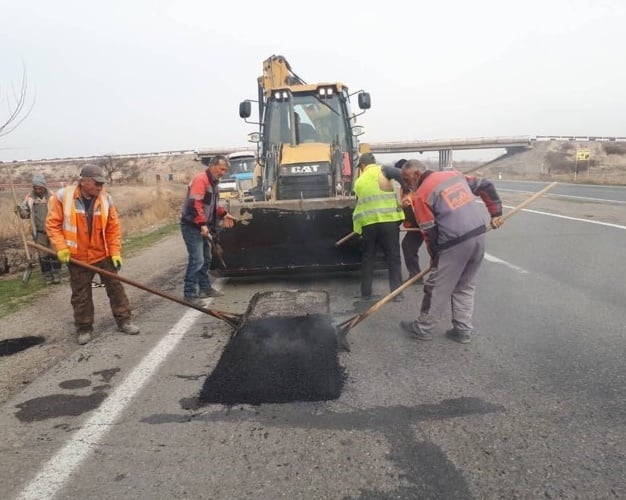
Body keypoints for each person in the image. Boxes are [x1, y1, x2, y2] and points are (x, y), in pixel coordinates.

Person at [399, 159, 504, 344]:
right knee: (465, 285)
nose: (407, 185)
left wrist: (435, 258)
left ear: (417, 174)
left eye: (407, 180)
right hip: (478, 236)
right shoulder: (454, 175)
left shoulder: (422, 195)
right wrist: (496, 213)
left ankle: (423, 328)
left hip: (455, 242)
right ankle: (463, 330)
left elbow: (429, 232)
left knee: (435, 286)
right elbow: (485, 185)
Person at [46, 163, 140, 345]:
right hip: (77, 257)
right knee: (81, 295)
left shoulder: (105, 199)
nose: (100, 187)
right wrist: (61, 247)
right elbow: (53, 225)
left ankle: (124, 320)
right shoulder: (63, 197)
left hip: (102, 254)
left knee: (116, 288)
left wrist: (115, 252)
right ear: (83, 181)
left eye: (102, 183)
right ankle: (84, 327)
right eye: (96, 183)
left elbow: (113, 228)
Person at [180, 154, 235, 304]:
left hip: (203, 226)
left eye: (225, 170)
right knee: (197, 260)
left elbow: (212, 205)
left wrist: (224, 214)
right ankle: (190, 295)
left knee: (207, 259)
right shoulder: (201, 180)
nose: (223, 173)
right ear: (212, 166)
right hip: (192, 226)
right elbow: (194, 204)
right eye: (221, 169)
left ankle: (205, 288)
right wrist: (202, 225)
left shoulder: (214, 182)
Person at [352, 152, 405, 301]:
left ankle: (366, 294)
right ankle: (397, 294)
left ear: (362, 165)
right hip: (388, 222)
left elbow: (359, 205)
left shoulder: (358, 181)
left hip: (369, 225)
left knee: (368, 258)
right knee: (393, 258)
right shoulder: (384, 170)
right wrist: (407, 192)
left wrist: (358, 229)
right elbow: (402, 174)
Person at [16, 173, 62, 284]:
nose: (38, 190)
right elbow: (25, 215)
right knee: (43, 255)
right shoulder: (29, 199)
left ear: (44, 187)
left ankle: (56, 275)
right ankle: (47, 277)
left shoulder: (53, 196)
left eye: (40, 188)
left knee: (55, 253)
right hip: (39, 232)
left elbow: (60, 212)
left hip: (53, 230)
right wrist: (19, 211)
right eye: (36, 188)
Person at [394, 159, 424, 281]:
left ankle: (416, 276)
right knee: (408, 246)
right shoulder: (404, 186)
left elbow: (412, 206)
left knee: (408, 246)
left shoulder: (412, 185)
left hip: (419, 220)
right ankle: (415, 275)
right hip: (414, 220)